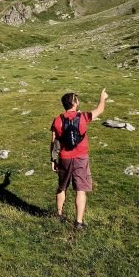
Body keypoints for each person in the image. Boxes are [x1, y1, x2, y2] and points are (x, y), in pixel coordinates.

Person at [50, 89, 108, 229]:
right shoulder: (83, 117)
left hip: (64, 157)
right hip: (81, 157)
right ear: (74, 103)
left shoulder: (57, 120)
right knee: (80, 189)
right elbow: (99, 110)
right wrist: (102, 97)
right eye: (77, 99)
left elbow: (54, 141)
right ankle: (79, 223)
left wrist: (53, 159)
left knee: (62, 187)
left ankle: (58, 214)